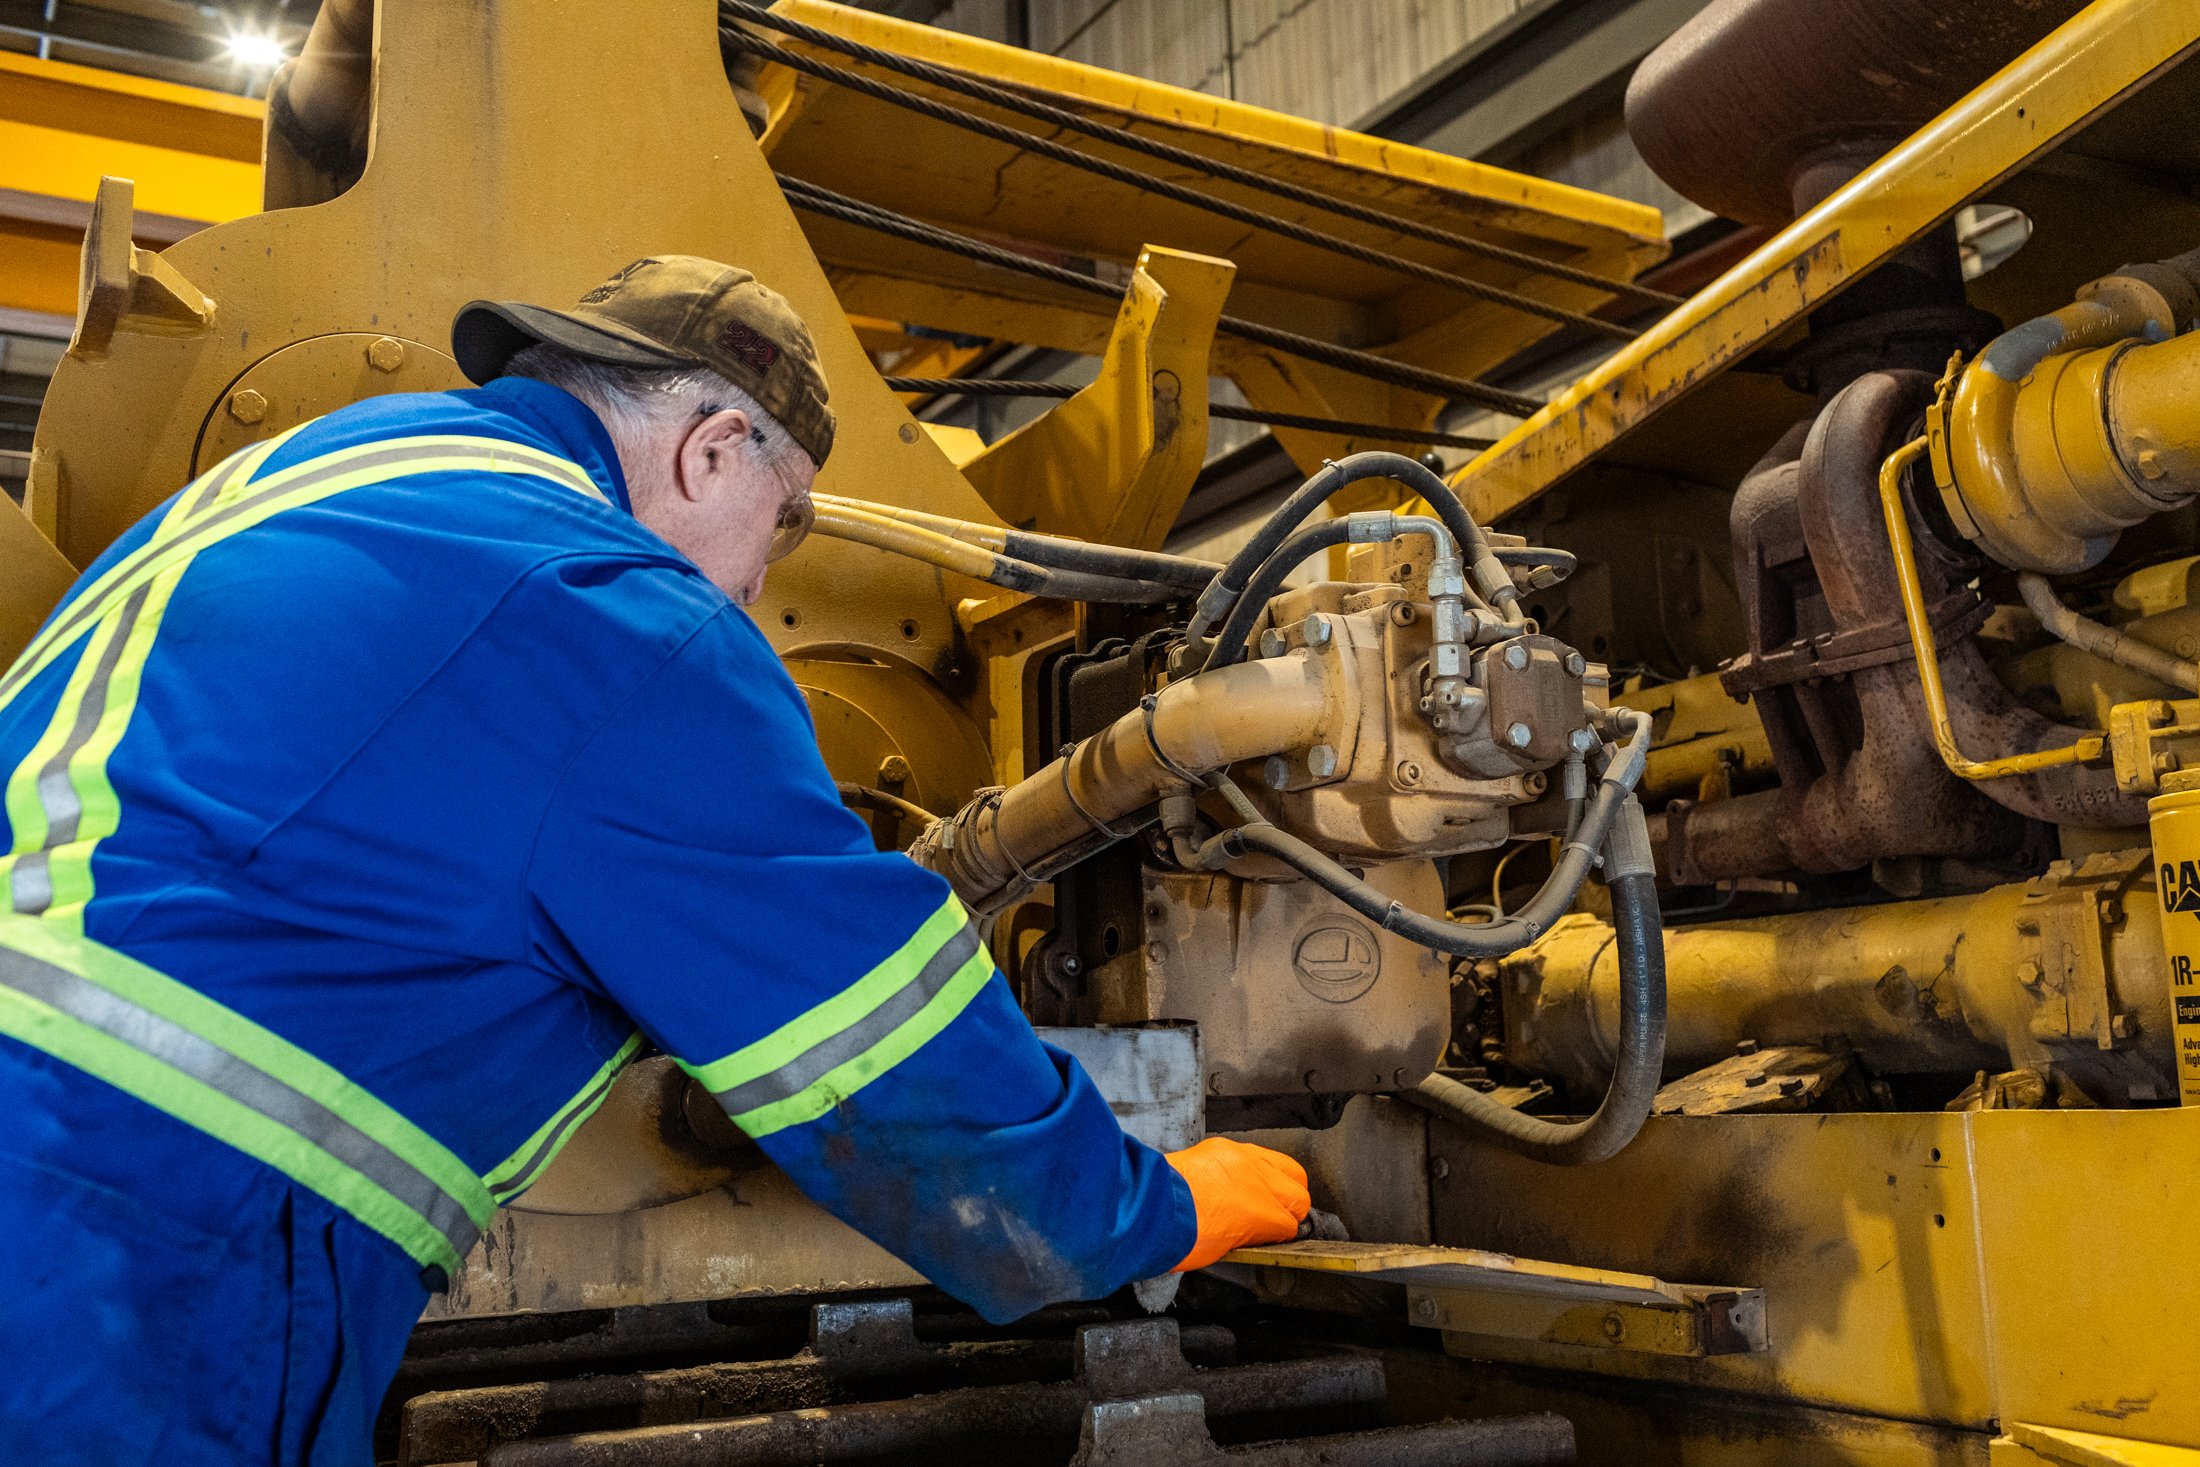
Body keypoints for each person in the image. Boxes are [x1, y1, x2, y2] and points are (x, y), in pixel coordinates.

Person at [0, 255, 1311, 1465]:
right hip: (127, 1244)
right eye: (785, 522)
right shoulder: (607, 616)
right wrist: (1143, 1209)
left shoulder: (320, 485)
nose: (752, 588)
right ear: (712, 447)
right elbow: (872, 1049)